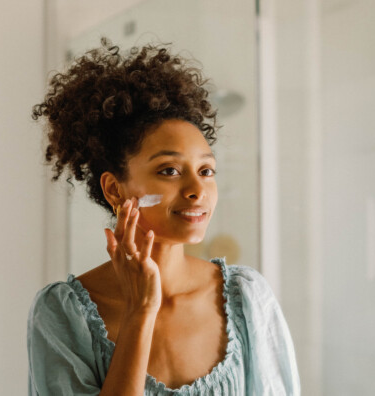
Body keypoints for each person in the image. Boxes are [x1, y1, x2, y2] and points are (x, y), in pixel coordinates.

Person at [27, 39, 300, 396]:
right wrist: (141, 311)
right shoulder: (61, 314)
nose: (197, 190)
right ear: (114, 190)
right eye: (169, 171)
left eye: (206, 170)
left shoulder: (246, 298)